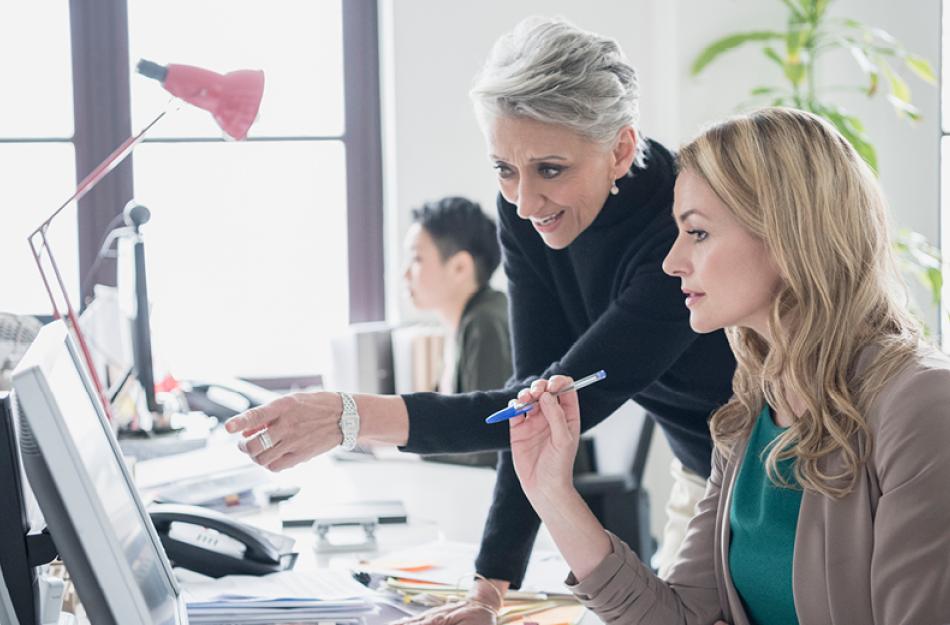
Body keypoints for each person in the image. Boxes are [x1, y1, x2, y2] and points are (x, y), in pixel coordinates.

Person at [224, 16, 737, 621]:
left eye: (551, 169)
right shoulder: (528, 212)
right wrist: (488, 592)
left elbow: (554, 410)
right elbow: (531, 395)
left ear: (621, 148)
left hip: (779, 471)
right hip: (701, 473)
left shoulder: (678, 232)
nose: (523, 201)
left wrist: (351, 417)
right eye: (503, 168)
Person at [504, 107, 950, 625]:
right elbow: (683, 615)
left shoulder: (921, 407)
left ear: (788, 237)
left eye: (697, 233)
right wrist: (552, 493)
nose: (672, 262)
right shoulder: (752, 412)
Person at [404, 196, 511, 466]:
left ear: (460, 267)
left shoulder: (485, 324)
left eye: (417, 259)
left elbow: (487, 446)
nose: (406, 274)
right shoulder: (463, 324)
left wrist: (410, 449)